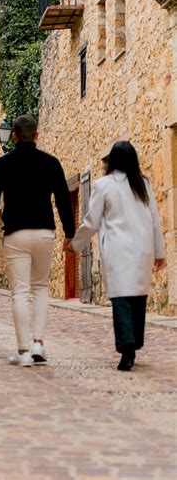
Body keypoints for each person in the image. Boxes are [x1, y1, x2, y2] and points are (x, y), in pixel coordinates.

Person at [0, 114, 75, 367]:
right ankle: (38, 344)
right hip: (44, 231)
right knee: (40, 288)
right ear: (37, 135)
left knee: (19, 292)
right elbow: (64, 199)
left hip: (16, 234)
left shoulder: (2, 165)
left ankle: (22, 351)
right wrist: (70, 233)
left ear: (14, 136)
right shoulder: (51, 163)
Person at [66, 141, 166, 371]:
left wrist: (76, 244)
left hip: (117, 250)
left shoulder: (103, 186)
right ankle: (134, 343)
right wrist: (159, 252)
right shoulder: (143, 184)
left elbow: (92, 221)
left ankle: (127, 347)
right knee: (137, 296)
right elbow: (154, 219)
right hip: (142, 249)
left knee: (121, 297)